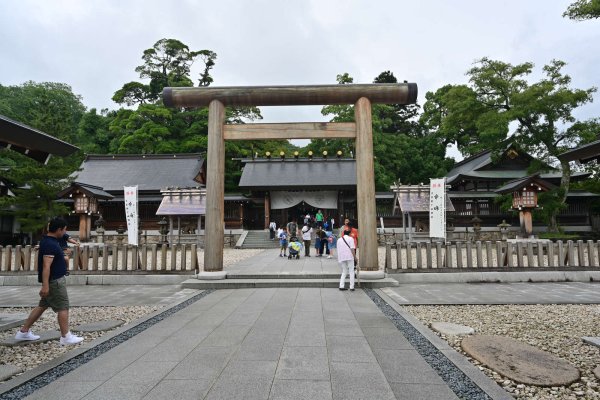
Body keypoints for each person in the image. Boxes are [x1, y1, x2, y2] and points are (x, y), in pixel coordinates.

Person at [14, 217, 84, 345]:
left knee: (42, 306)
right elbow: (46, 266)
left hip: (52, 280)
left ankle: (23, 332)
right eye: (64, 230)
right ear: (58, 229)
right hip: (54, 281)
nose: (65, 233)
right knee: (63, 307)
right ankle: (65, 336)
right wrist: (45, 286)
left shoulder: (48, 241)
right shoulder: (51, 244)